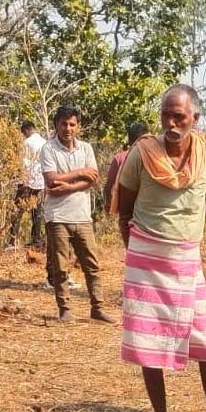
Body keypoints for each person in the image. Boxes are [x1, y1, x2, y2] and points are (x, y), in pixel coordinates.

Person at [115, 84, 206, 412]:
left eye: (178, 116)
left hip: (186, 262)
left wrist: (182, 240)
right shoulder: (141, 154)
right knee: (148, 342)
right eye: (165, 115)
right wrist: (141, 248)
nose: (170, 123)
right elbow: (124, 210)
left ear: (195, 118)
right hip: (145, 260)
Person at [41, 106, 113, 323]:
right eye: (63, 124)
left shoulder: (86, 149)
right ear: (56, 125)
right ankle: (64, 309)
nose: (68, 128)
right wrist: (80, 173)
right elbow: (51, 180)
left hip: (82, 216)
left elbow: (93, 179)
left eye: (72, 124)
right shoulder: (48, 149)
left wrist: (68, 186)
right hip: (58, 216)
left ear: (79, 126)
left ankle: (97, 308)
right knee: (61, 266)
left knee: (92, 265)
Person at [9, 121, 47, 249]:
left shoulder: (26, 143)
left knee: (17, 211)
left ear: (26, 131)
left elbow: (23, 162)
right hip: (40, 181)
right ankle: (36, 240)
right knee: (37, 211)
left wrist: (19, 179)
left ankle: (12, 240)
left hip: (27, 181)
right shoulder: (44, 143)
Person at [104, 121, 148, 214]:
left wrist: (109, 202)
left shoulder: (120, 158)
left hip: (126, 208)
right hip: (147, 209)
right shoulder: (154, 158)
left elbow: (109, 185)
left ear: (129, 140)